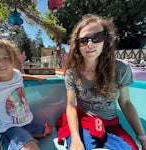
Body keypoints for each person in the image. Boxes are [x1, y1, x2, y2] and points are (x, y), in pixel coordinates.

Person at [56, 14, 146, 150]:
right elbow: (70, 106)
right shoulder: (72, 73)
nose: (90, 44)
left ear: (106, 40)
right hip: (83, 122)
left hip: (111, 125)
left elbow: (126, 103)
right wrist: (75, 139)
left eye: (97, 37)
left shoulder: (120, 69)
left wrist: (142, 137)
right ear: (78, 45)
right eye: (84, 40)